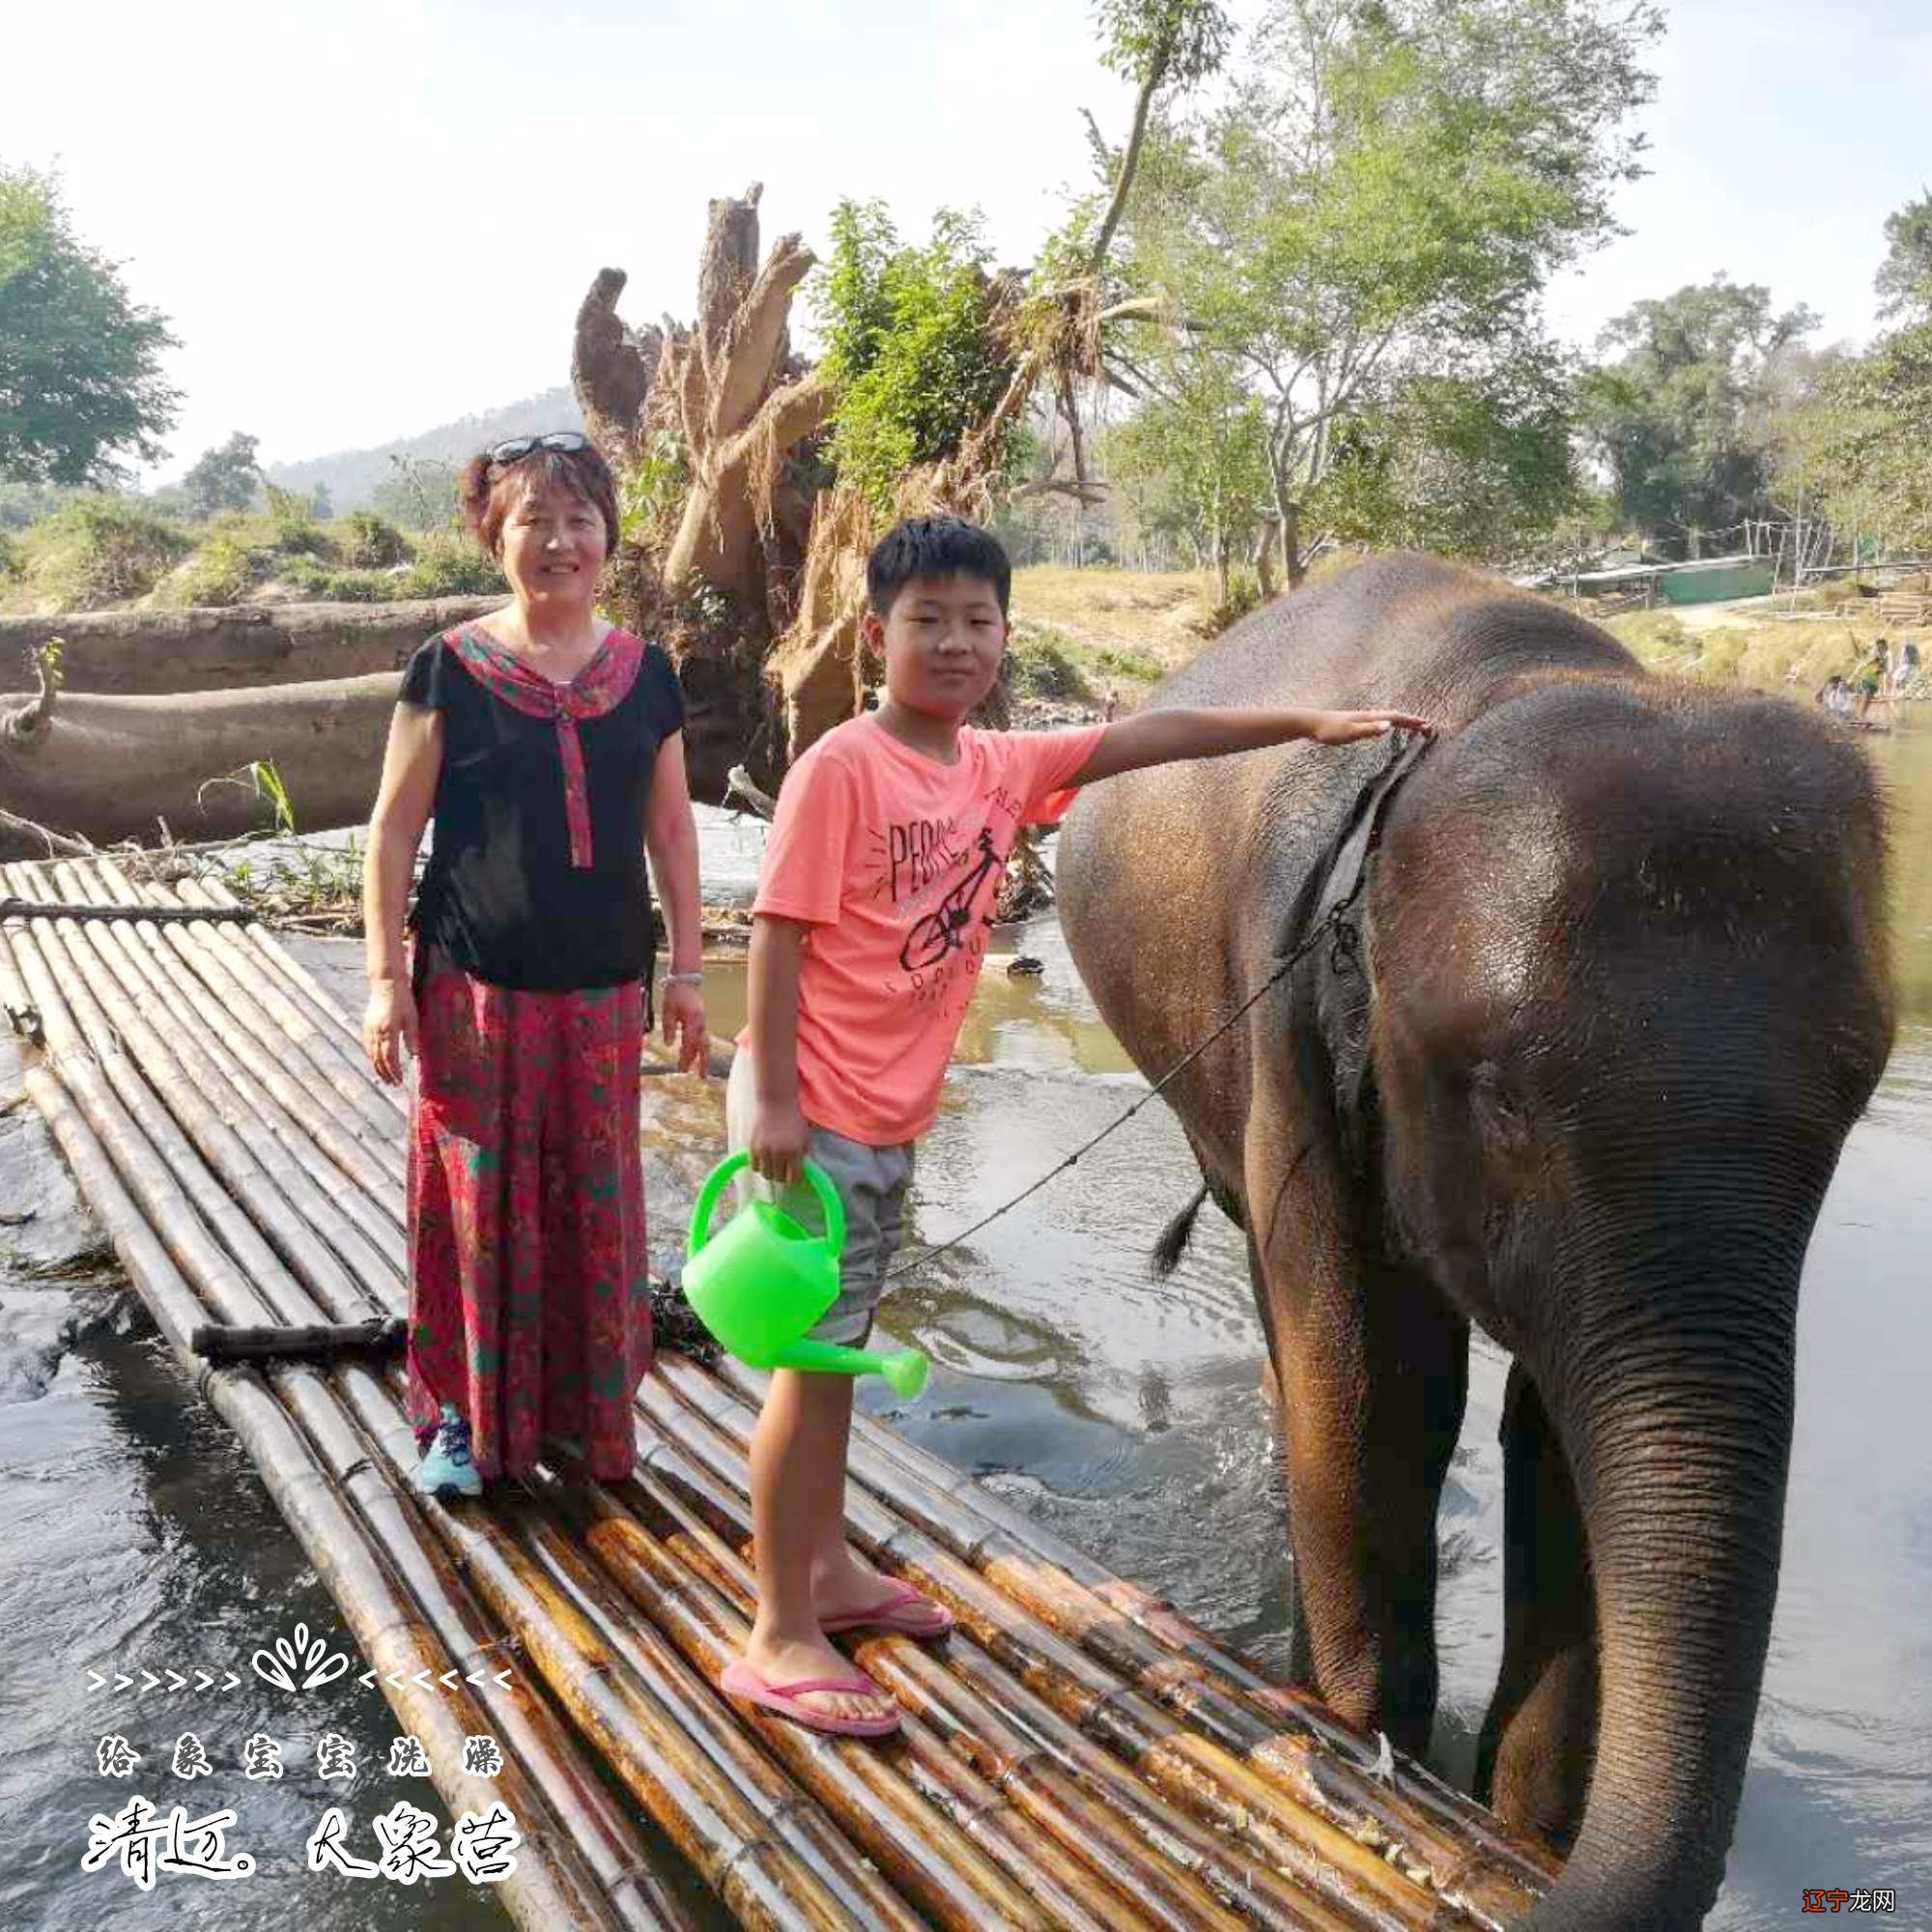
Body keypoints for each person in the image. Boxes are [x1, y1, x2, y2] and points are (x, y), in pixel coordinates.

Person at [718, 515, 1432, 1737]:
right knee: (811, 1363)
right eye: (926, 620)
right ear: (873, 634)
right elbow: (777, 931)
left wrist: (1311, 724)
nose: (954, 642)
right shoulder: (841, 766)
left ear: (1004, 633)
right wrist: (775, 1097)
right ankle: (776, 1631)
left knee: (840, 1355)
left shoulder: (994, 764)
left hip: (883, 1113)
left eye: (977, 620)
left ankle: (825, 1569)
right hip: (813, 1110)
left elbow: (1152, 735)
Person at [360, 432, 709, 1498]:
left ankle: (583, 1421)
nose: (558, 541)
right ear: (493, 537)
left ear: (608, 538)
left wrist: (687, 972)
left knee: (592, 1210)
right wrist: (383, 981)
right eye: (532, 522)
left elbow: (672, 832)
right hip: (472, 991)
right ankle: (461, 1422)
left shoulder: (645, 675)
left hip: (601, 990)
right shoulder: (449, 668)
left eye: (578, 521)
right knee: (475, 1207)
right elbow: (392, 833)